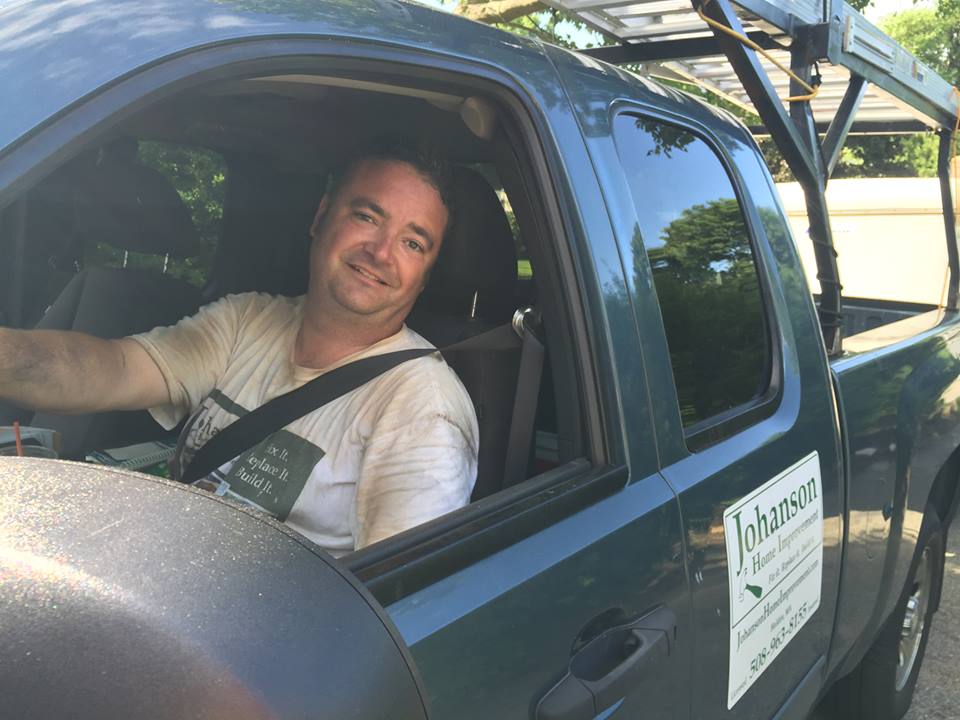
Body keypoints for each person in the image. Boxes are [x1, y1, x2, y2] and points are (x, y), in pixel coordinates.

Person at [0, 141, 479, 556]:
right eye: (367, 216)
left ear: (425, 276)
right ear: (321, 217)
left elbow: (400, 598)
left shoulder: (424, 411)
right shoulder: (246, 319)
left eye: (413, 243)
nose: (381, 252)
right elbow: (116, 369)